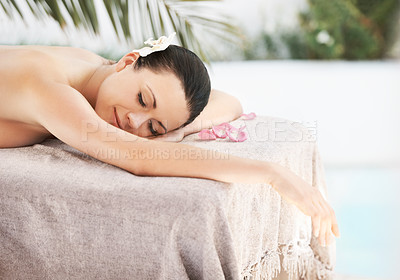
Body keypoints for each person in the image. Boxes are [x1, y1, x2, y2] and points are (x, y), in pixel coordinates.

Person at [0, 34, 339, 247]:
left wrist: (175, 131)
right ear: (128, 61)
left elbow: (228, 101)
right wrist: (271, 173)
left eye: (154, 128)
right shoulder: (49, 87)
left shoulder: (96, 71)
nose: (135, 121)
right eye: (143, 99)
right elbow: (139, 158)